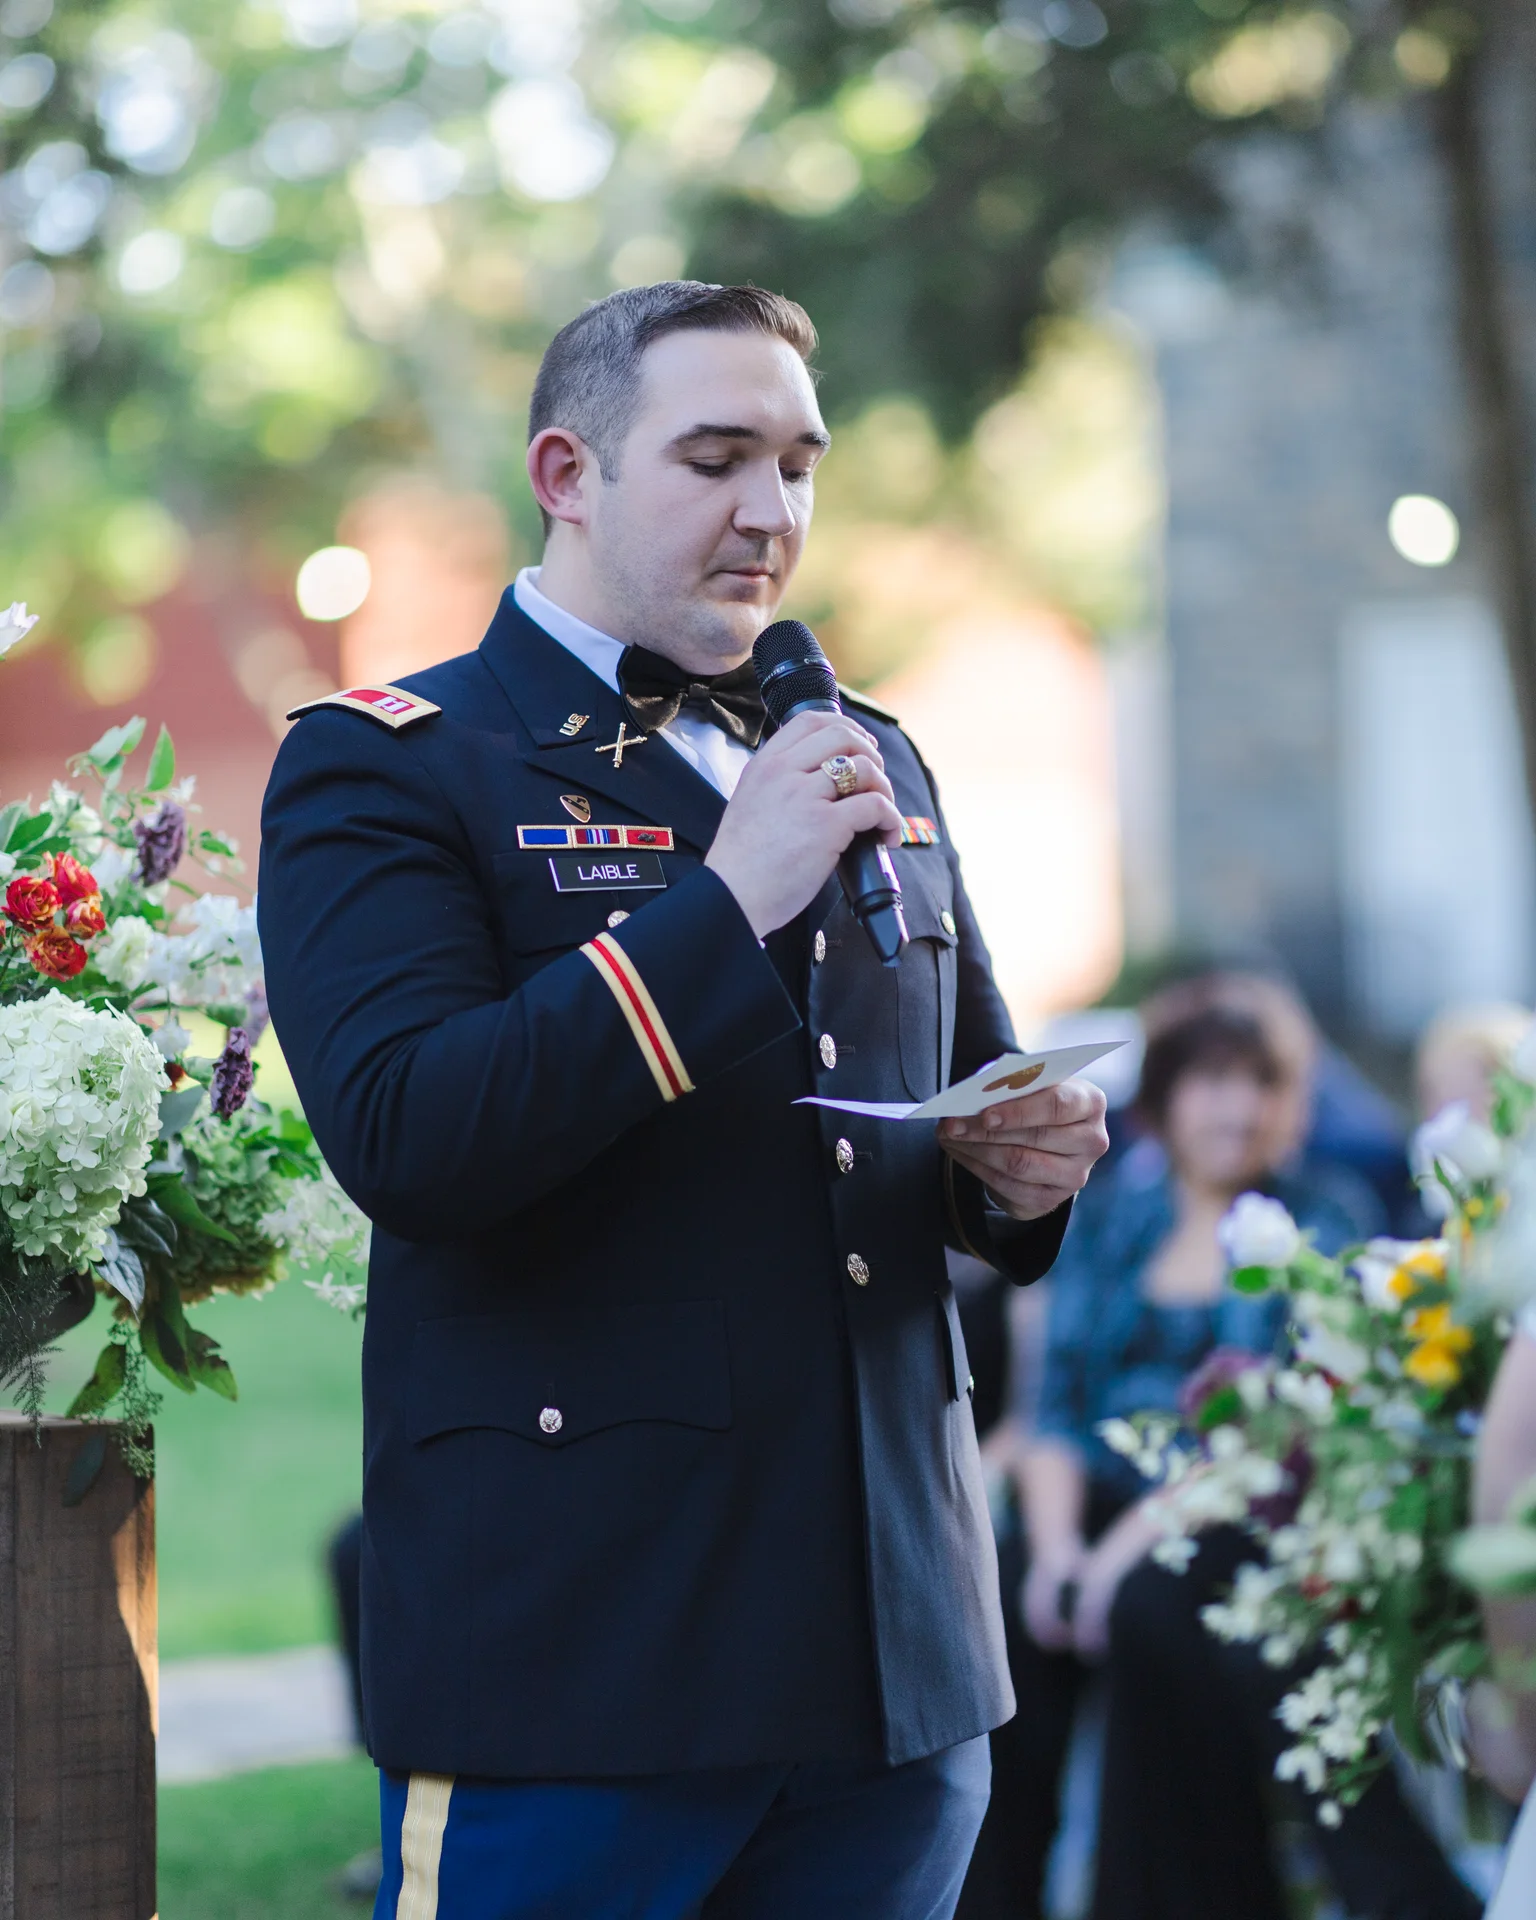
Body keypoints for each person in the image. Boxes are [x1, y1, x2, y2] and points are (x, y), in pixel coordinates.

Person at [257, 281, 1109, 1920]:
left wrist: (1015, 1164)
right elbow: (409, 1138)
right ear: (565, 472)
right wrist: (727, 904)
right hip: (591, 1653)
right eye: (715, 458)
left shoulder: (868, 750)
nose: (770, 511)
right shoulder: (395, 761)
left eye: (799, 462)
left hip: (894, 1649)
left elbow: (947, 1100)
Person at [960, 1001, 1477, 1920]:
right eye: (1212, 1082)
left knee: (1162, 1602)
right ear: (1165, 1101)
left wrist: (1114, 1566)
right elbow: (1059, 1409)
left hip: (1247, 1513)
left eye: (1260, 1083)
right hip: (1100, 1501)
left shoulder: (1325, 1217)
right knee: (1000, 1608)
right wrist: (1057, 1557)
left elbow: (1281, 1422)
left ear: (1291, 1104)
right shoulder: (1114, 1220)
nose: (1237, 1109)